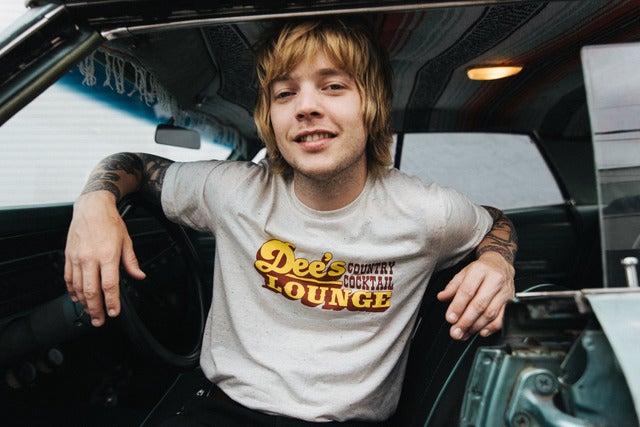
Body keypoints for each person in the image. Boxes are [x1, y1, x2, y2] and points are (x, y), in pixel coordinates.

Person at [64, 17, 517, 425]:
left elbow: (494, 222)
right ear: (271, 117)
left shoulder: (426, 212)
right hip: (222, 411)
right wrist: (94, 203)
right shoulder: (232, 191)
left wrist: (496, 263)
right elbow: (135, 166)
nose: (305, 107)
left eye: (333, 86)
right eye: (284, 93)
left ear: (372, 104)